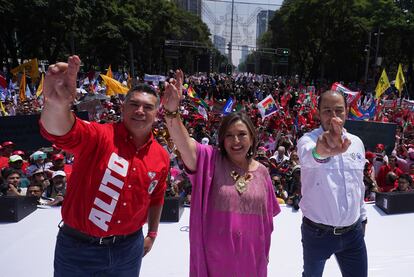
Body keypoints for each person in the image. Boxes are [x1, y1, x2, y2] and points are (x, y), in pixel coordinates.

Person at [39, 55, 169, 277]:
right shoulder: (99, 136)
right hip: (78, 251)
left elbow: (156, 197)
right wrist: (56, 105)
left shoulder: (161, 156)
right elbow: (60, 131)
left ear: (157, 114)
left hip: (129, 250)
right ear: (122, 107)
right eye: (134, 104)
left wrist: (153, 233)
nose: (140, 111)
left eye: (148, 107)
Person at [163, 70, 280, 276]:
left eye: (242, 134)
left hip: (252, 262)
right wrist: (172, 112)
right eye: (230, 136)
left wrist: (265, 252)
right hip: (215, 264)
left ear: (252, 138)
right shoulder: (209, 161)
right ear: (222, 140)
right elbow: (184, 143)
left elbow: (266, 223)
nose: (236, 141)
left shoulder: (262, 172)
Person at [297, 90, 368, 277]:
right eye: (327, 111)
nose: (334, 116)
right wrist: (322, 152)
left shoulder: (357, 143)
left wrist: (363, 218)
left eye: (339, 110)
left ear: (347, 111)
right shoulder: (308, 141)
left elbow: (358, 185)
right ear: (318, 113)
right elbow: (310, 156)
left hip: (353, 233)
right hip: (317, 234)